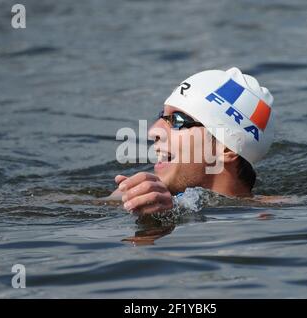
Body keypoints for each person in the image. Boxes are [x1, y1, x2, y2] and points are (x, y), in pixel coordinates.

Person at [108, 67, 287, 215]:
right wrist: (118, 202)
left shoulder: (269, 214)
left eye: (177, 120)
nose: (153, 130)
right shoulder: (138, 193)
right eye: (161, 116)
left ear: (226, 149)